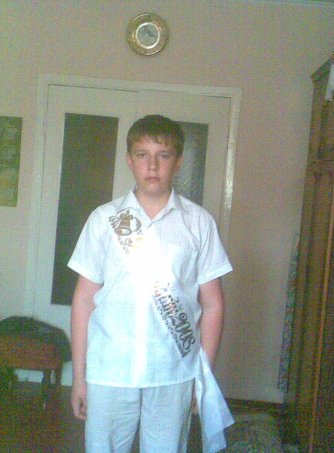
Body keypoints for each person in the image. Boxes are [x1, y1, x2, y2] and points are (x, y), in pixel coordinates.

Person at [68, 115, 233, 453]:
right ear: (129, 160)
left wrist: (203, 376)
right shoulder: (104, 220)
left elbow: (213, 303)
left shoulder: (199, 223)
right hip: (110, 368)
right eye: (142, 155)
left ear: (179, 161)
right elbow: (83, 301)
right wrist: (79, 377)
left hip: (174, 370)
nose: (152, 165)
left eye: (163, 155)